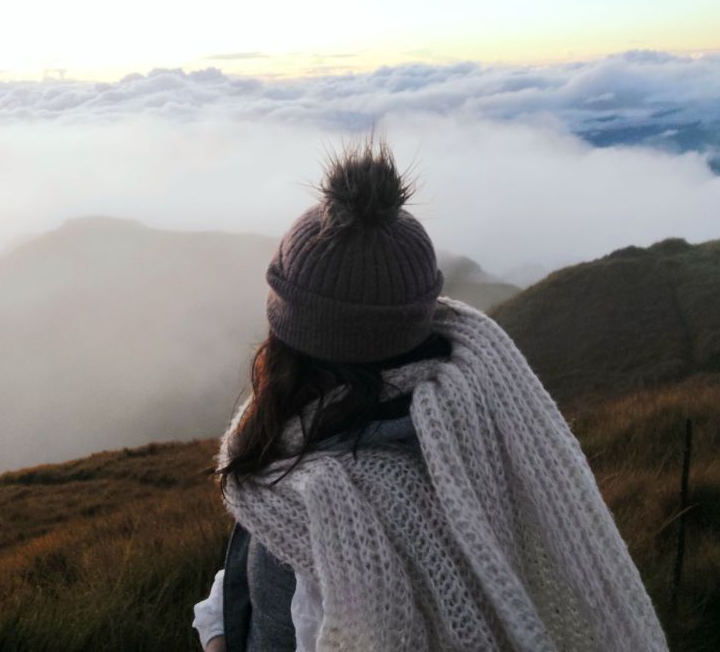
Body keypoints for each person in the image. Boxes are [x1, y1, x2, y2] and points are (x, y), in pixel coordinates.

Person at [193, 136, 669, 651]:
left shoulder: (333, 511)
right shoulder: (470, 437)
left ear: (291, 336)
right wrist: (219, 624)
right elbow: (254, 572)